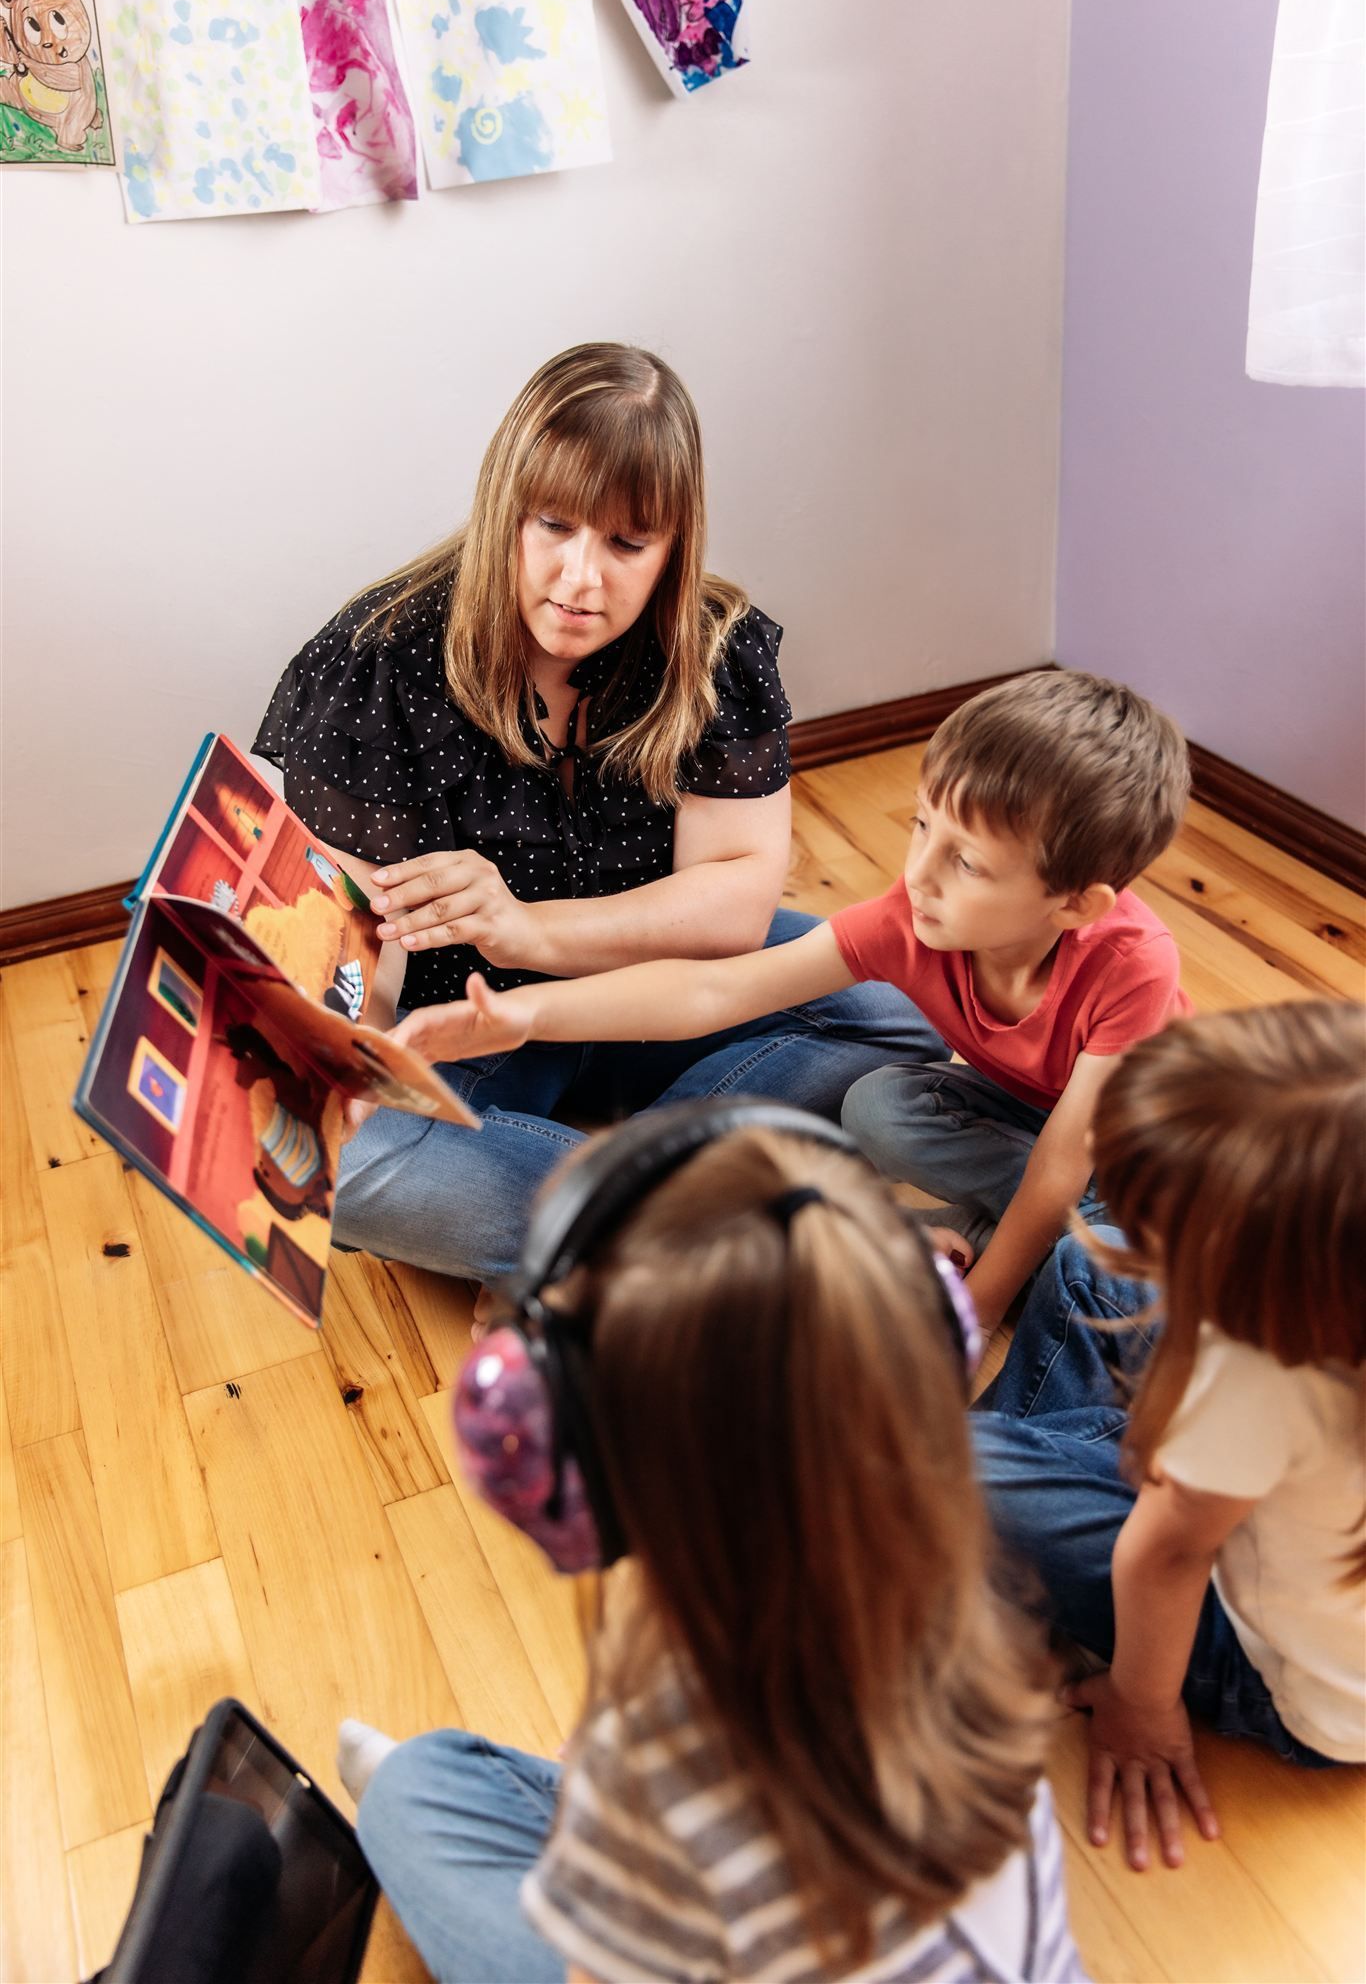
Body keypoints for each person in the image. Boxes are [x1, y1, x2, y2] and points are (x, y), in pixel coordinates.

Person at [337, 1102, 1085, 1983]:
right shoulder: (951, 1605)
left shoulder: (664, 1757)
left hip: (684, 1887)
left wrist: (630, 1793)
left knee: (414, 1792)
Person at [254, 342, 941, 1285]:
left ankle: (608, 1217)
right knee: (360, 1166)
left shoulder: (714, 649)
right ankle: (697, 1202)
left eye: (628, 544)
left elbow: (735, 903)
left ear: (675, 543)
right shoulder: (378, 659)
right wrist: (357, 1063)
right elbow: (354, 952)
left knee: (900, 1009)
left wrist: (527, 927)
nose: (582, 580)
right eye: (554, 526)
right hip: (467, 1023)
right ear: (507, 507)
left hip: (658, 983)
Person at [387, 668, 1191, 1332]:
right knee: (880, 1108)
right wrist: (526, 1013)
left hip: (1139, 1152)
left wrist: (973, 1320)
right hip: (1016, 1121)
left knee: (1109, 1207)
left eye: (967, 863)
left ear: (1077, 905)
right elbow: (714, 987)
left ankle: (1096, 1248)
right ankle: (1059, 1251)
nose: (918, 874)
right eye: (921, 827)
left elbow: (1061, 1163)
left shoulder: (1133, 964)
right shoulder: (913, 918)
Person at [972, 999, 1366, 1874]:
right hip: (1290, 1570)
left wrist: (1140, 1703)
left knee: (937, 1462)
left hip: (1259, 1667)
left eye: (1174, 1232)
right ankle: (1005, 1533)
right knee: (1090, 1263)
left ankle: (982, 1538)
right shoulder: (1329, 1313)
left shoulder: (1264, 1373)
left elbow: (1169, 1556)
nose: (1148, 1240)